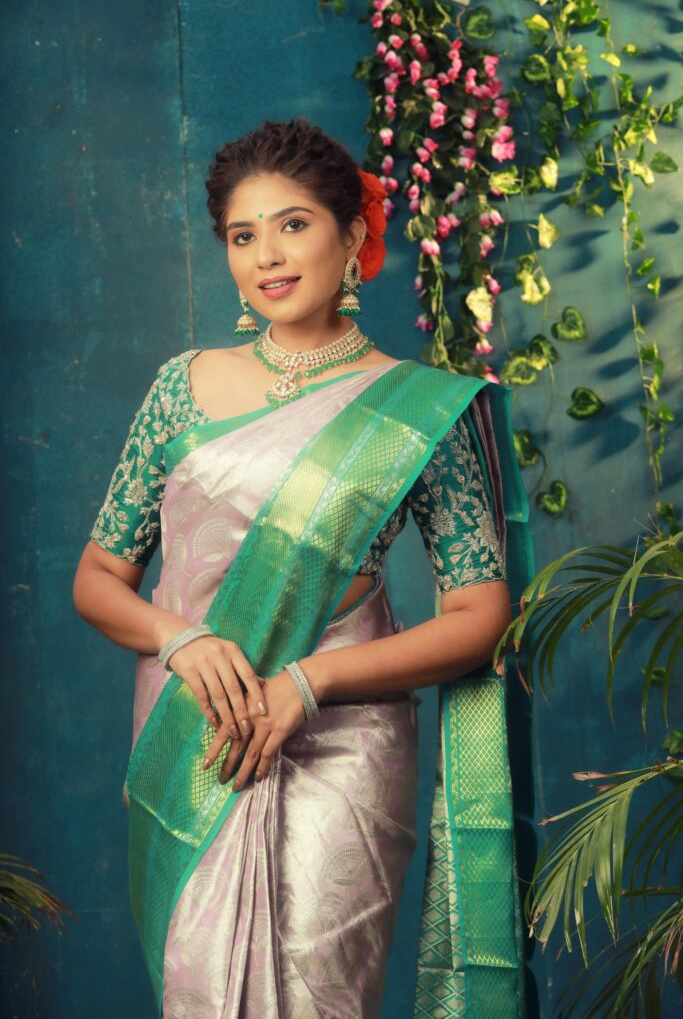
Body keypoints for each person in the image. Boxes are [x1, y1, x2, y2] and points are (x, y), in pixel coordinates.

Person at [72, 117, 533, 1019]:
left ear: (352, 235)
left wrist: (309, 683)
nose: (267, 257)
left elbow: (479, 613)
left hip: (342, 740)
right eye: (244, 236)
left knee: (324, 996)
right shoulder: (182, 385)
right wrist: (183, 642)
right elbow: (98, 576)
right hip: (195, 734)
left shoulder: (418, 410)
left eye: (292, 225)